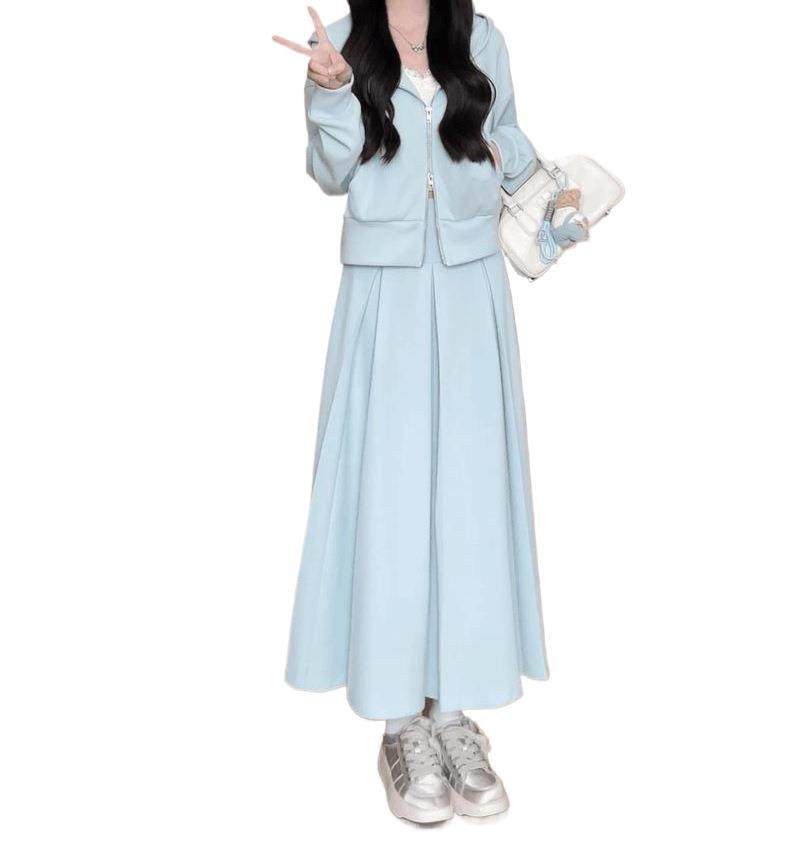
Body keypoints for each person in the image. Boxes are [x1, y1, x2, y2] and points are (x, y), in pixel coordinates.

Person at [274, 1, 548, 822]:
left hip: (471, 286)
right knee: (389, 500)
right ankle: (402, 724)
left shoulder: (480, 35)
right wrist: (331, 90)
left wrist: (527, 173)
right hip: (385, 292)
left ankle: (453, 714)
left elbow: (508, 141)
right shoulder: (343, 45)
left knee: (469, 501)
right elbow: (332, 172)